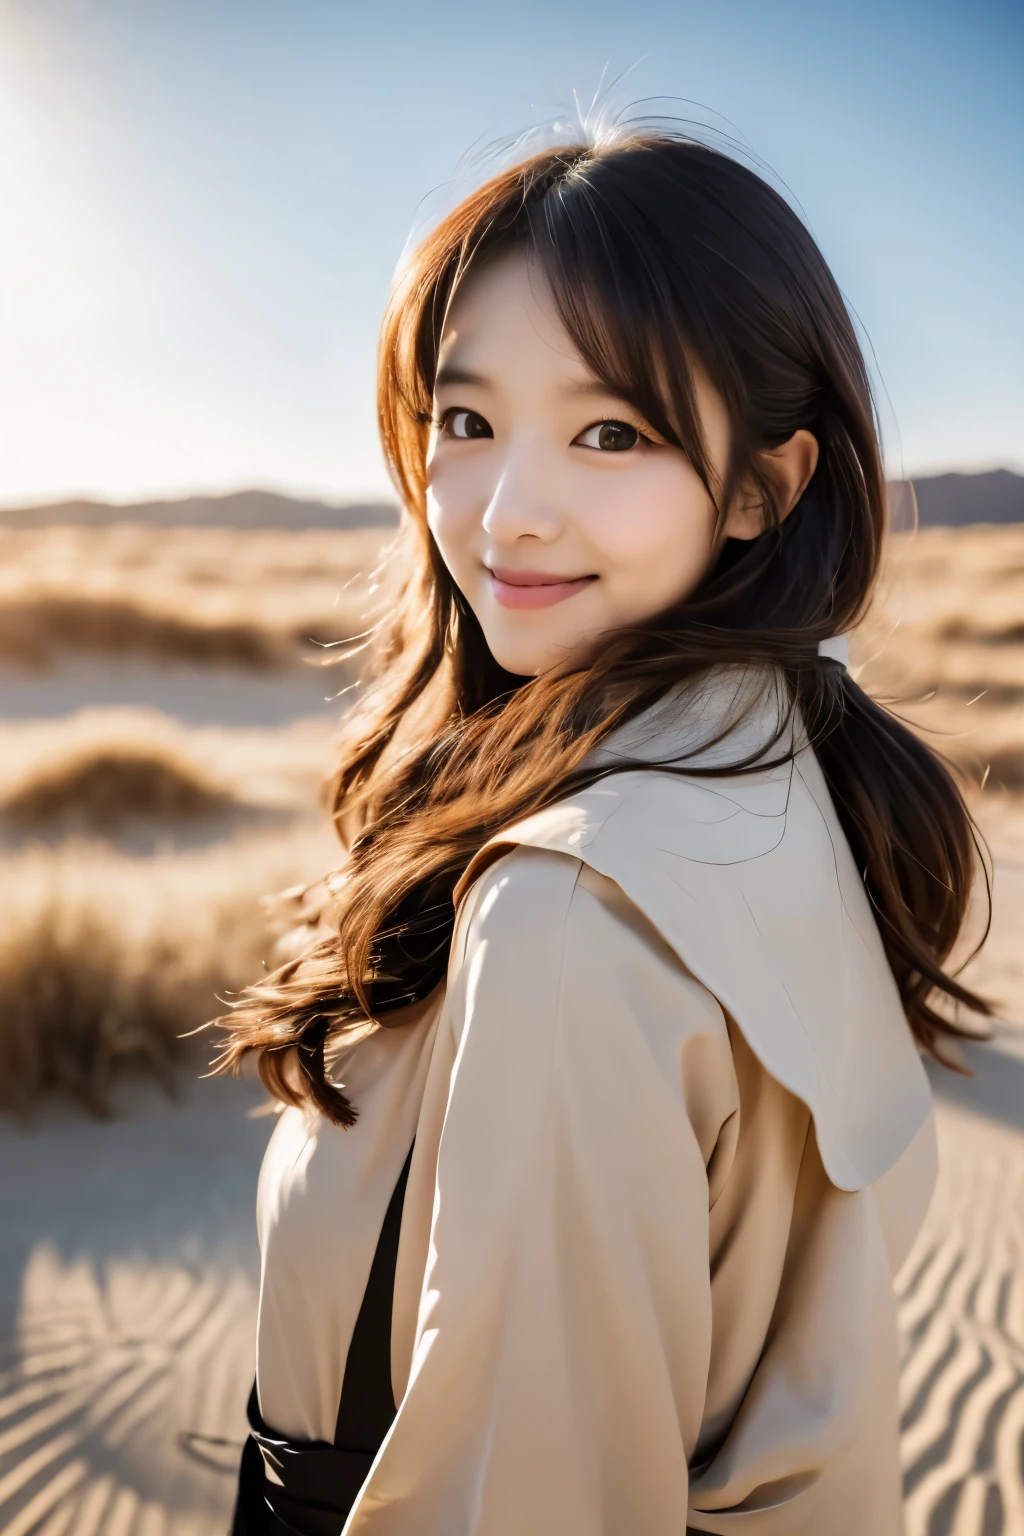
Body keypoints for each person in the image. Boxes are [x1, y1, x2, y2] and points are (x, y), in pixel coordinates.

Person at [218, 130, 990, 1535]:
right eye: (465, 422)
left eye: (612, 432)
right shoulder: (779, 757)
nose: (509, 514)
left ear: (767, 483)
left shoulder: (574, 913)